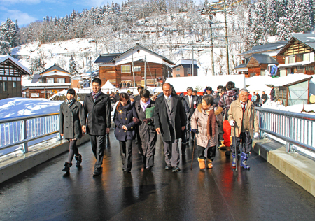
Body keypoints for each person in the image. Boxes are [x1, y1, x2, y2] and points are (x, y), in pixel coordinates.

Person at [81, 78, 111, 177]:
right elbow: (83, 112)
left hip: (101, 125)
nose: (95, 87)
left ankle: (98, 165)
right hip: (91, 125)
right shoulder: (87, 98)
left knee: (100, 147)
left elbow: (107, 113)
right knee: (94, 147)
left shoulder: (105, 98)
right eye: (93, 85)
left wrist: (108, 126)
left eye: (97, 85)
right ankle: (98, 159)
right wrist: (83, 124)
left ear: (100, 86)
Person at [154, 83, 186, 172]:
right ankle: (168, 163)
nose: (167, 92)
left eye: (168, 90)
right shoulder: (159, 100)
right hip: (164, 125)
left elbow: (181, 112)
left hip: (175, 125)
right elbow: (156, 114)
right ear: (162, 90)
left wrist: (183, 123)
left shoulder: (177, 99)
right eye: (165, 91)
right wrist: (157, 126)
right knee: (166, 145)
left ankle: (175, 164)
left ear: (171, 89)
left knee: (175, 144)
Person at [228, 88, 259, 170]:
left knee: (247, 146)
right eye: (242, 95)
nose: (244, 97)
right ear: (239, 95)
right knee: (235, 145)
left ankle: (244, 161)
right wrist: (231, 120)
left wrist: (256, 130)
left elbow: (254, 118)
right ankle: (235, 159)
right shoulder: (234, 104)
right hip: (236, 128)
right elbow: (229, 114)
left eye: (245, 95)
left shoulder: (251, 105)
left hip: (247, 128)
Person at [191, 95, 218, 170]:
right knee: (200, 147)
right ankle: (201, 160)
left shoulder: (215, 111)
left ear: (209, 104)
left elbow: (220, 121)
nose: (202, 104)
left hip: (212, 133)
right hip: (201, 132)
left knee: (212, 148)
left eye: (204, 102)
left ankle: (210, 160)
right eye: (202, 102)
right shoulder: (198, 110)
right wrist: (194, 127)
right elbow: (193, 118)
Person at [60, 88, 83, 173]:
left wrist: (83, 127)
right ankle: (78, 156)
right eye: (68, 94)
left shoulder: (78, 105)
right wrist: (61, 131)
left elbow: (81, 117)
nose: (69, 96)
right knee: (73, 146)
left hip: (75, 128)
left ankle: (68, 163)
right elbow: (61, 119)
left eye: (71, 94)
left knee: (71, 145)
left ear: (74, 96)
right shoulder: (63, 105)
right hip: (67, 128)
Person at [114, 93, 138, 173]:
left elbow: (135, 119)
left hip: (129, 131)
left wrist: (128, 126)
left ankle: (128, 166)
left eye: (125, 100)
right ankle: (124, 164)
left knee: (129, 149)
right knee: (122, 150)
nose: (123, 102)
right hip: (121, 131)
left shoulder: (131, 108)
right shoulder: (117, 108)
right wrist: (121, 126)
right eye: (121, 100)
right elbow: (115, 119)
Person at [134, 89, 157, 170]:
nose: (144, 100)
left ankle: (150, 164)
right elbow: (133, 114)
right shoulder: (136, 104)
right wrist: (135, 119)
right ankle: (144, 162)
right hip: (140, 128)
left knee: (151, 145)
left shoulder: (153, 104)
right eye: (143, 98)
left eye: (146, 98)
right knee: (142, 146)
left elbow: (157, 116)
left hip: (151, 128)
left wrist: (151, 119)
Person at [216, 81, 237, 156]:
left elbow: (220, 106)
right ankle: (235, 148)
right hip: (236, 116)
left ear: (227, 87)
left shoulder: (224, 96)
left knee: (227, 133)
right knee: (236, 132)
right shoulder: (236, 95)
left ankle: (228, 148)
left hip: (227, 116)